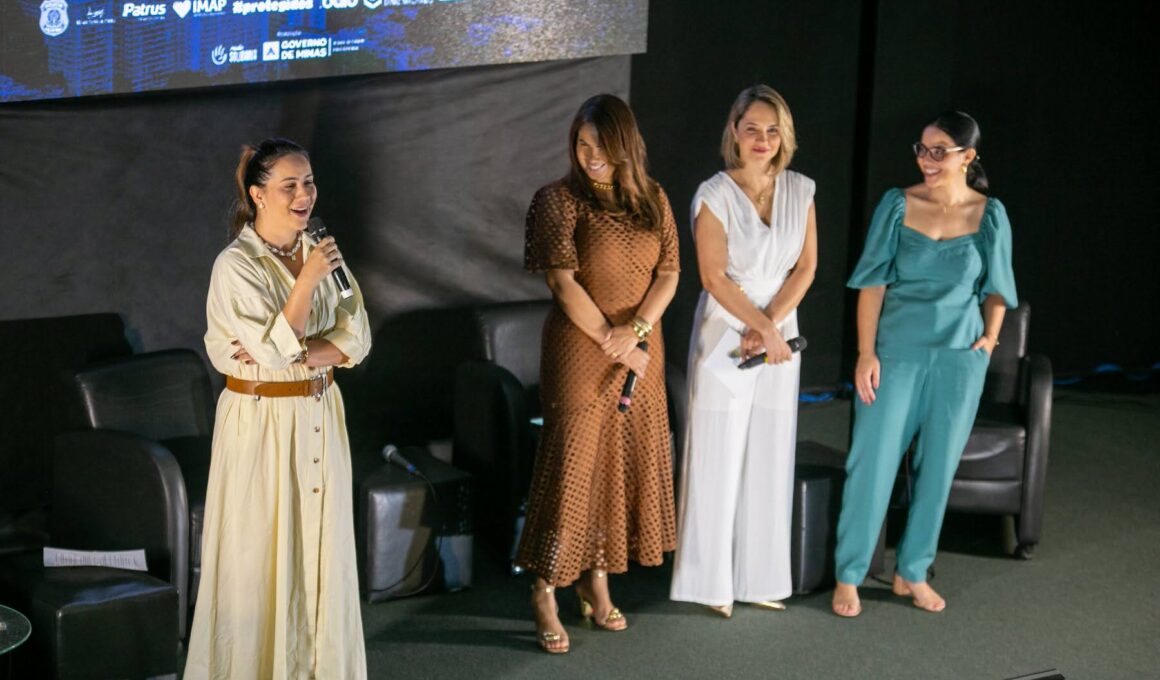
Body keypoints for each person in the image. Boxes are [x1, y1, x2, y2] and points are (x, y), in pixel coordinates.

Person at [186, 138, 372, 678]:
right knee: (261, 560)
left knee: (321, 555)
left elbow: (358, 338)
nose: (303, 195)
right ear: (258, 194)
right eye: (289, 185)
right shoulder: (236, 266)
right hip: (262, 423)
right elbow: (271, 352)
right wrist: (306, 285)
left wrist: (296, 351)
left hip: (320, 414)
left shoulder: (322, 250)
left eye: (308, 182)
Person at [832, 111, 1017, 617]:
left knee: (937, 470)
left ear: (968, 156)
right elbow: (872, 284)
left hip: (959, 360)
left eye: (939, 151)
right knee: (871, 463)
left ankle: (911, 571)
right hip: (895, 354)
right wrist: (865, 353)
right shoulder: (897, 204)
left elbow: (998, 288)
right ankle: (849, 573)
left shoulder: (990, 215)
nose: (926, 160)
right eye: (922, 149)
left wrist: (990, 340)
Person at [516, 94, 680, 653]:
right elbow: (562, 282)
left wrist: (635, 332)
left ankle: (596, 579)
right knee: (574, 468)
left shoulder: (654, 199)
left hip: (639, 349)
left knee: (618, 465)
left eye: (602, 146)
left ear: (625, 145)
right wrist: (615, 341)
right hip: (580, 352)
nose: (590, 156)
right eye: (582, 145)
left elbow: (669, 274)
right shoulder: (558, 200)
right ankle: (545, 588)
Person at [670, 85, 818, 617]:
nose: (762, 139)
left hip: (778, 330)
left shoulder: (801, 189)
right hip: (725, 329)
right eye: (752, 128)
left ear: (785, 136)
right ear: (734, 131)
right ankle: (708, 582)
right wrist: (758, 327)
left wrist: (770, 327)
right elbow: (712, 276)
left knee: (770, 448)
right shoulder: (713, 193)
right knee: (717, 449)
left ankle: (759, 577)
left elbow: (806, 268)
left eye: (772, 131)